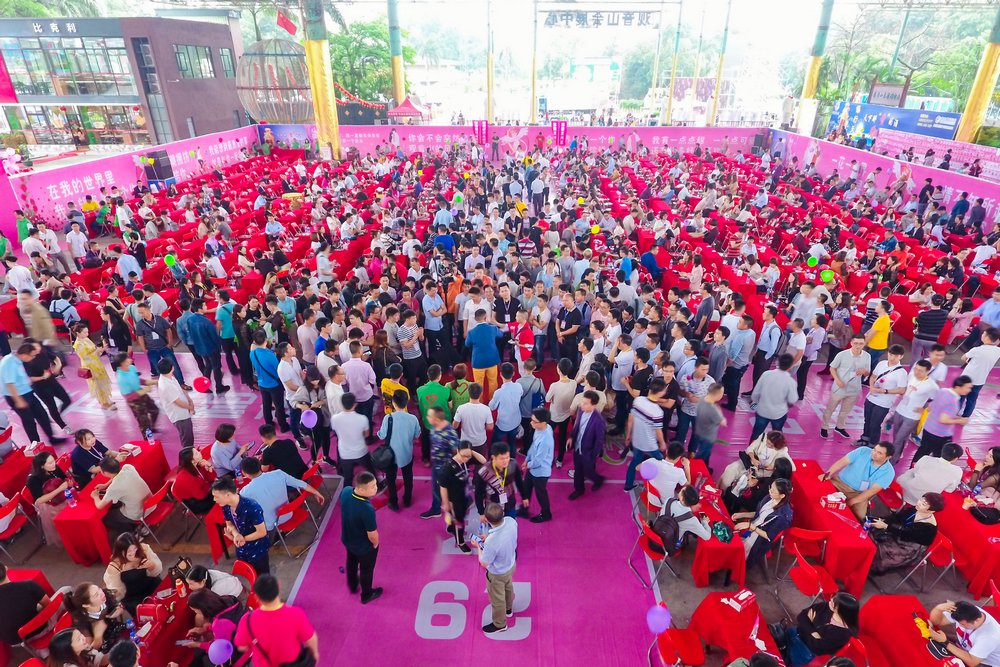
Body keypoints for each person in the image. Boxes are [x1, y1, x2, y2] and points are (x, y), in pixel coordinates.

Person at [234, 574, 319, 665]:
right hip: (293, 664)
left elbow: (242, 647)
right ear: (278, 587)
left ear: (257, 597)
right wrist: (315, 653)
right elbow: (310, 638)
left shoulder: (246, 620)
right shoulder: (296, 614)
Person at [0, 342, 66, 444]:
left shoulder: (20, 361)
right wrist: (18, 400)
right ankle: (36, 444)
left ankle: (52, 438)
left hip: (28, 392)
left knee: (43, 415)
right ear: (25, 354)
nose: (33, 358)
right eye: (32, 355)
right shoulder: (9, 362)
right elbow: (9, 383)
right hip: (16, 396)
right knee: (29, 421)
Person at [239, 457, 324, 530]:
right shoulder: (278, 473)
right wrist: (316, 492)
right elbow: (300, 483)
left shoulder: (244, 492)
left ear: (244, 473)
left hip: (269, 525)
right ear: (260, 465)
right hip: (288, 513)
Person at [777, 592, 859, 667]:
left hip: (804, 650)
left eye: (834, 602)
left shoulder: (843, 634)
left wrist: (809, 623)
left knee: (780, 663)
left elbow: (816, 646)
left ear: (842, 610)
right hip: (794, 632)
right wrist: (813, 632)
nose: (830, 601)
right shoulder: (827, 606)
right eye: (833, 598)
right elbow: (802, 615)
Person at [869, 492, 943, 575]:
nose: (919, 503)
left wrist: (886, 526)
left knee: (878, 551)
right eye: (921, 500)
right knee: (870, 531)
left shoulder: (929, 528)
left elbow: (906, 534)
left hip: (908, 548)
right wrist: (883, 520)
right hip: (898, 534)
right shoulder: (916, 509)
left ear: (932, 511)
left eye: (923, 504)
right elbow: (897, 517)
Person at [819, 442, 895, 521]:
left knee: (858, 518)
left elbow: (872, 491)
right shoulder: (862, 451)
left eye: (879, 453)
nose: (874, 453)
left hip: (859, 494)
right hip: (839, 482)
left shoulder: (889, 472)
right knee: (820, 495)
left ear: (888, 457)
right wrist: (827, 474)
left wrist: (851, 502)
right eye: (874, 449)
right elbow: (842, 461)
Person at [212, 476, 271, 575]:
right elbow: (229, 524)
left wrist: (242, 539)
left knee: (263, 577)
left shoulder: (252, 507)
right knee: (248, 574)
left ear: (228, 495)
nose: (214, 499)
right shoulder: (226, 506)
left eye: (216, 496)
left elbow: (262, 532)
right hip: (241, 549)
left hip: (257, 550)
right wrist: (236, 535)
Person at [339, 471, 382, 603]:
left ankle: (352, 585)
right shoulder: (366, 508)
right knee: (366, 570)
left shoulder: (346, 491)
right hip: (363, 547)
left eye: (375, 484)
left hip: (348, 539)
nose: (376, 488)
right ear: (362, 489)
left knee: (351, 561)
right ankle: (366, 595)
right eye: (372, 487)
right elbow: (372, 534)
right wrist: (375, 544)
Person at [476, 502, 518, 634]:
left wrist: (478, 546)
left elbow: (484, 563)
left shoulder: (491, 542)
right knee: (508, 587)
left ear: (487, 520)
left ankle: (500, 624)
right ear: (502, 513)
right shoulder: (511, 521)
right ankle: (509, 609)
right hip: (511, 564)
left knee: (497, 599)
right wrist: (488, 537)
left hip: (497, 574)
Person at [733, 477, 794, 568]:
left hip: (759, 540)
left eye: (773, 491)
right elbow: (759, 514)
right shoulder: (769, 497)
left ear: (782, 495)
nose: (770, 491)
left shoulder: (783, 516)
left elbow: (768, 536)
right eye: (770, 488)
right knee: (735, 543)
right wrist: (742, 515)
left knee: (738, 556)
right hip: (751, 530)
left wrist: (750, 526)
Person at [820, 334, 871, 440]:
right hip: (840, 387)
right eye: (855, 343)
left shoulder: (867, 356)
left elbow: (868, 372)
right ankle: (824, 427)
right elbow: (832, 368)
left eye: (861, 344)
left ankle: (840, 427)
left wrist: (865, 371)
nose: (858, 346)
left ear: (864, 344)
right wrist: (838, 380)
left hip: (854, 389)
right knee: (830, 409)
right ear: (851, 343)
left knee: (845, 411)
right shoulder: (842, 355)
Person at [912, 376, 974, 463]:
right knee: (941, 457)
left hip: (928, 428)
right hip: (940, 434)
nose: (969, 390)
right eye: (967, 387)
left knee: (922, 451)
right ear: (958, 387)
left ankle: (913, 467)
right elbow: (943, 419)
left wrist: (957, 417)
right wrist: (960, 421)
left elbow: (932, 408)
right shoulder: (953, 400)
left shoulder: (943, 391)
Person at [439, 441, 488, 553]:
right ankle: (460, 542)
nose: (466, 458)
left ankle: (451, 526)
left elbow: (483, 460)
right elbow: (443, 487)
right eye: (463, 455)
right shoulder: (448, 467)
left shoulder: (466, 459)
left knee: (461, 516)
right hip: (454, 500)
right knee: (459, 521)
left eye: (468, 456)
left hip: (464, 496)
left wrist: (471, 452)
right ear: (457, 451)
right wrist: (446, 503)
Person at [378, 390, 421, 511]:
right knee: (408, 477)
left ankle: (394, 502)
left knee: (390, 479)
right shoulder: (413, 418)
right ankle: (407, 499)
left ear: (393, 403)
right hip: (406, 454)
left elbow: (381, 435)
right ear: (407, 402)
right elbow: (417, 435)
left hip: (390, 456)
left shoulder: (388, 418)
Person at [623, 378, 669, 490]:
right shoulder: (658, 412)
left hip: (637, 440)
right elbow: (658, 431)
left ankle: (628, 485)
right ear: (661, 392)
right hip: (650, 444)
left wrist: (628, 435)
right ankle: (665, 485)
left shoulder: (638, 400)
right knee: (662, 463)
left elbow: (630, 420)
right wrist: (662, 443)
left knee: (635, 462)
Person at [889, 359, 937, 463]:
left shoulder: (931, 385)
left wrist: (925, 408)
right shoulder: (911, 376)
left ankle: (893, 460)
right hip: (900, 410)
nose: (917, 372)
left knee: (899, 439)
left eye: (920, 371)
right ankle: (898, 453)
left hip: (912, 416)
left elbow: (937, 400)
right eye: (916, 369)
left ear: (927, 371)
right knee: (896, 436)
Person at [103, 532, 162, 617]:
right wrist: (114, 597)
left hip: (152, 585)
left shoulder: (144, 549)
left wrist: (151, 566)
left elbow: (158, 570)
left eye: (135, 548)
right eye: (129, 551)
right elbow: (117, 591)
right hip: (134, 598)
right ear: (121, 552)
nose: (133, 553)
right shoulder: (115, 566)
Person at [858, 344, 907, 446]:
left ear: (901, 356)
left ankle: (873, 444)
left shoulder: (901, 373)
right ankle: (864, 438)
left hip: (884, 403)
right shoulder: (882, 363)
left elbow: (902, 389)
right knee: (867, 420)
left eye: (895, 356)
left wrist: (885, 391)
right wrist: (871, 386)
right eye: (890, 354)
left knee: (875, 424)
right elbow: (873, 376)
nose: (892, 358)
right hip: (871, 397)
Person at [90, 455, 152, 535]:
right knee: (116, 505)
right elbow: (118, 475)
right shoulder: (128, 467)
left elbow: (99, 506)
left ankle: (132, 533)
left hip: (139, 513)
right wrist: (105, 485)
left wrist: (95, 496)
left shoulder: (114, 487)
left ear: (105, 473)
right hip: (151, 503)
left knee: (106, 518)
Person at [928, 600, 1000, 667]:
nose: (960, 625)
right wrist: (938, 609)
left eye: (963, 624)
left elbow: (972, 662)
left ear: (977, 621)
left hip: (983, 662)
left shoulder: (990, 637)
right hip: (964, 647)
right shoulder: (966, 612)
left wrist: (945, 642)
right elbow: (937, 621)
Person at [63, 582, 127, 656]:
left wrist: (119, 610)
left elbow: (120, 606)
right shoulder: (81, 622)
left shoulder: (106, 595)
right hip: (106, 650)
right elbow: (89, 652)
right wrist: (98, 636)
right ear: (86, 605)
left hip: (118, 630)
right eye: (96, 595)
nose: (101, 593)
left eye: (98, 589)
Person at [134, 303, 188, 387]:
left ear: (148, 310)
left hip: (164, 347)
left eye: (142, 312)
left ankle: (181, 383)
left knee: (174, 365)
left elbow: (168, 330)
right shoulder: (140, 324)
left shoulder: (160, 319)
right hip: (151, 349)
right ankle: (166, 386)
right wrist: (144, 348)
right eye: (139, 313)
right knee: (159, 369)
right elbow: (140, 337)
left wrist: (169, 343)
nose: (141, 315)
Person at [719, 430, 794, 490]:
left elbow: (792, 467)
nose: (767, 445)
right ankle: (721, 491)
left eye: (771, 445)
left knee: (745, 482)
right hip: (749, 463)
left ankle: (731, 499)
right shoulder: (763, 437)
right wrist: (753, 459)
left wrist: (773, 467)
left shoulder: (782, 450)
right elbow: (750, 449)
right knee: (731, 468)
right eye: (767, 442)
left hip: (761, 473)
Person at [0, 561, 51, 648]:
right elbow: (49, 606)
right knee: (65, 589)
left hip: (15, 640)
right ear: (6, 568)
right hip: (40, 628)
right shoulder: (29, 585)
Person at [749, 353, 798, 442]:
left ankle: (751, 450)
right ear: (791, 366)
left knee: (756, 434)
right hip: (779, 413)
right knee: (777, 436)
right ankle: (775, 450)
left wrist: (755, 402)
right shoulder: (790, 382)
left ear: (778, 362)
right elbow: (792, 399)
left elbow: (755, 394)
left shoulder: (766, 374)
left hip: (762, 410)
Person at [897, 442, 963, 506]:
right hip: (925, 502)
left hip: (905, 491)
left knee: (910, 472)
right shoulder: (958, 471)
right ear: (956, 458)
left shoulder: (926, 458)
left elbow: (915, 472)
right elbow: (949, 490)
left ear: (942, 451)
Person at [569, 390, 606, 500]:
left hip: (588, 452)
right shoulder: (581, 410)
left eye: (585, 403)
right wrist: (571, 437)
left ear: (593, 405)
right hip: (577, 448)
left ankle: (598, 480)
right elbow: (577, 426)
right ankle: (579, 490)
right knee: (578, 470)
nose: (582, 405)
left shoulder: (599, 421)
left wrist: (593, 455)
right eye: (582, 402)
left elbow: (599, 441)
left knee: (589, 471)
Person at [329, 392, 374, 485]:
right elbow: (366, 435)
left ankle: (347, 492)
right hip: (360, 451)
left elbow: (335, 430)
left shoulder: (335, 418)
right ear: (355, 404)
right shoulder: (362, 418)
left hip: (345, 453)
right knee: (371, 470)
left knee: (348, 478)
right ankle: (378, 485)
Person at [250, 331, 291, 432]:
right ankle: (283, 426)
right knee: (279, 406)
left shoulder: (253, 353)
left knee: (266, 404)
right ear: (266, 340)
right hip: (274, 384)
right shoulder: (270, 355)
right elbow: (278, 369)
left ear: (254, 341)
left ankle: (269, 423)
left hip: (262, 383)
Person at [188, 299, 230, 394]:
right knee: (216, 367)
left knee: (208, 365)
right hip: (211, 348)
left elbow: (191, 334)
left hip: (200, 348)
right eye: (204, 305)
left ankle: (204, 386)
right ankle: (219, 387)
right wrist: (219, 347)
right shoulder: (206, 322)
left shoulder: (190, 319)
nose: (206, 307)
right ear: (200, 308)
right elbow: (215, 337)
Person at [25, 451, 68, 546]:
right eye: (50, 463)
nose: (54, 464)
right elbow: (39, 500)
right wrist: (59, 489)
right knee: (64, 512)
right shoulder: (33, 480)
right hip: (46, 503)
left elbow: (64, 479)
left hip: (61, 494)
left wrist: (68, 483)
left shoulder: (54, 468)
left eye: (53, 461)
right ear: (42, 466)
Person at [113, 353, 159, 439]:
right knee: (144, 422)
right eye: (127, 358)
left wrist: (148, 382)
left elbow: (136, 379)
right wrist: (145, 390)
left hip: (141, 393)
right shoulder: (121, 379)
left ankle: (151, 428)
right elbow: (128, 396)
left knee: (155, 410)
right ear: (123, 363)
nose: (130, 359)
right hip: (134, 401)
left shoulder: (132, 368)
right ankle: (148, 439)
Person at [520, 407, 553, 523]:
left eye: (534, 421)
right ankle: (524, 508)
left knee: (541, 494)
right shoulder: (543, 428)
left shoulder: (545, 440)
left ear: (543, 422)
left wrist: (527, 465)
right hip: (533, 468)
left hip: (540, 472)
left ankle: (546, 514)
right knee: (526, 488)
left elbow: (538, 461)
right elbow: (534, 447)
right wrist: (527, 459)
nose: (531, 423)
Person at [72, 323, 115, 410]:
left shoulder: (86, 339)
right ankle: (103, 403)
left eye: (87, 332)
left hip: (97, 363)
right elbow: (86, 357)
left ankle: (106, 399)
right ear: (78, 333)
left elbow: (94, 349)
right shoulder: (78, 345)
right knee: (97, 385)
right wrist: (98, 351)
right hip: (90, 367)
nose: (87, 334)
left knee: (102, 382)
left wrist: (101, 350)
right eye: (84, 332)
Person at [959, 327, 1000, 418]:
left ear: (987, 337)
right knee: (972, 400)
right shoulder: (998, 351)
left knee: (960, 397)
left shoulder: (976, 350)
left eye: (984, 333)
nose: (982, 335)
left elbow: (963, 358)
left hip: (967, 378)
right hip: (980, 380)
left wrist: (968, 361)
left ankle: (954, 412)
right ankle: (966, 416)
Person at [474, 442, 523, 518]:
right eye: (502, 458)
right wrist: (481, 512)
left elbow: (519, 481)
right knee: (493, 525)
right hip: (492, 508)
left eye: (507, 457)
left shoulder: (513, 464)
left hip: (510, 504)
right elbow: (478, 493)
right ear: (493, 457)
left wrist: (524, 496)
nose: (505, 461)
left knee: (511, 523)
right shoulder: (484, 472)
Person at [157, 358, 196, 449]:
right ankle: (188, 454)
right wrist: (190, 407)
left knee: (188, 435)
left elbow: (180, 389)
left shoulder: (169, 377)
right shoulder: (165, 385)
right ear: (172, 368)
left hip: (183, 412)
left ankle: (190, 452)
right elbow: (178, 402)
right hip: (179, 416)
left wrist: (189, 400)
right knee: (187, 438)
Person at [465, 308, 502, 401]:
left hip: (478, 362)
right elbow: (501, 335)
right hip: (492, 360)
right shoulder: (493, 328)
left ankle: (479, 402)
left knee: (478, 384)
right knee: (493, 382)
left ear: (475, 318)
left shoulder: (471, 332)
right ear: (486, 318)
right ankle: (492, 401)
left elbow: (467, 344)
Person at [173, 446, 217, 515]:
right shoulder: (184, 478)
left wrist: (209, 466)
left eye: (197, 451)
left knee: (223, 488)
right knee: (222, 494)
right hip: (196, 502)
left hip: (204, 491)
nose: (200, 453)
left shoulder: (197, 464)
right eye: (196, 453)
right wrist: (212, 486)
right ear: (192, 460)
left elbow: (212, 478)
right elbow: (200, 496)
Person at [488, 363, 523, 449]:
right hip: (516, 421)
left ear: (500, 374)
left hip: (503, 424)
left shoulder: (499, 392)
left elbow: (491, 407)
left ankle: (492, 456)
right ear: (513, 373)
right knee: (512, 444)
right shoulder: (518, 386)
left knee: (494, 445)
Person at [691, 382, 726, 467]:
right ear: (718, 394)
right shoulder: (713, 409)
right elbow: (723, 422)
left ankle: (705, 467)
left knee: (705, 454)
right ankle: (694, 469)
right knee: (702, 454)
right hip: (708, 435)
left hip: (699, 430)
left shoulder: (702, 399)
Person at [454, 382, 494, 456]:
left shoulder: (461, 408)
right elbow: (490, 427)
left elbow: (455, 426)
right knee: (480, 462)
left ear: (468, 393)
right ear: (481, 393)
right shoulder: (486, 409)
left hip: (465, 442)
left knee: (465, 462)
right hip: (480, 442)